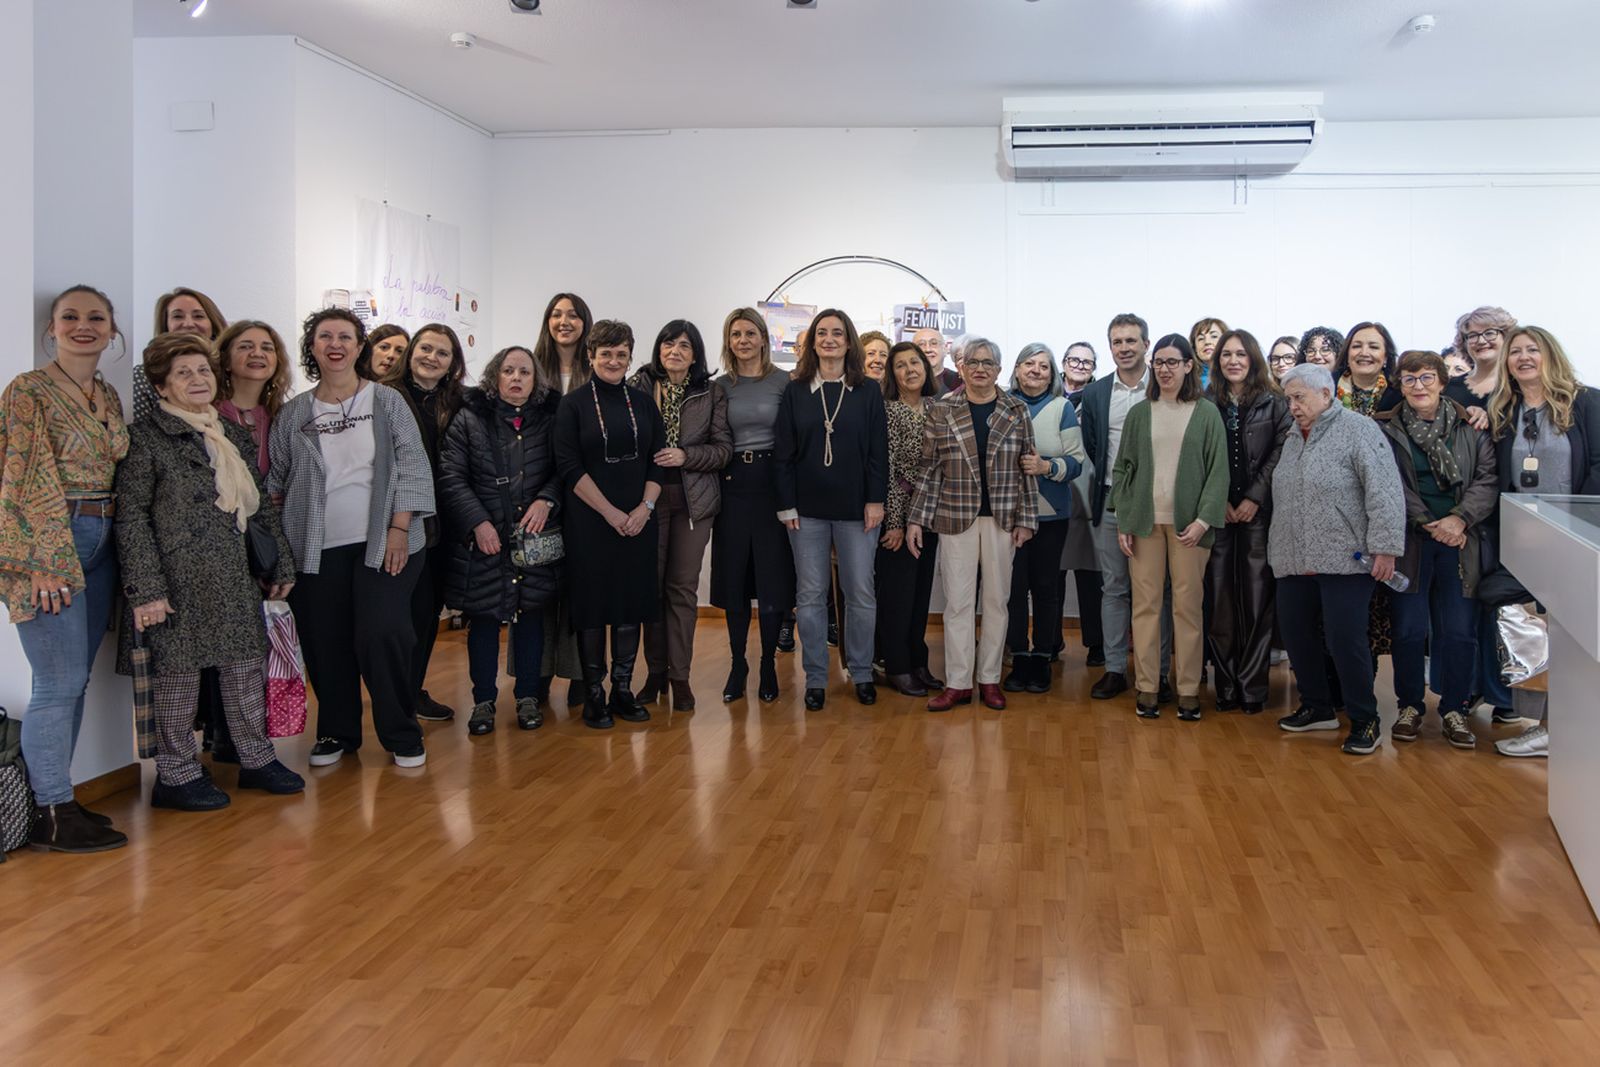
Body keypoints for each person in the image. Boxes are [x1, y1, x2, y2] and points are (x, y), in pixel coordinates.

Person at [115, 332, 303, 809]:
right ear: (161, 386)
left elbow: (258, 507)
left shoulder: (230, 434)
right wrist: (146, 589)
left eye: (202, 370)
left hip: (236, 576)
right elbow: (132, 517)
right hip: (176, 581)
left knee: (244, 671)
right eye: (183, 373)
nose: (197, 379)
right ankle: (176, 775)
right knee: (178, 680)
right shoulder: (146, 438)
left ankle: (257, 760)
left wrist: (280, 561)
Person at [270, 307, 435, 769]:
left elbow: (413, 465)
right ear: (313, 347)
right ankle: (337, 732)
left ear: (360, 346)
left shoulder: (386, 401)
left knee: (384, 632)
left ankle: (401, 731)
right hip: (315, 549)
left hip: (386, 542)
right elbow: (276, 483)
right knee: (325, 641)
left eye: (345, 337)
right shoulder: (294, 413)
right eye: (325, 337)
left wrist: (399, 528)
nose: (336, 345)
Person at [0, 286, 131, 852]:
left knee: (75, 681)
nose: (84, 325)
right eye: (70, 316)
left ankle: (59, 800)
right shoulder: (28, 390)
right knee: (56, 682)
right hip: (53, 543)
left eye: (96, 317)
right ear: (52, 328)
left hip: (103, 540)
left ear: (112, 330)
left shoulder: (107, 393)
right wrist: (42, 561)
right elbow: (21, 476)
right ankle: (50, 812)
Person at [1269, 364, 1406, 755]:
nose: (1292, 406)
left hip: (1346, 558)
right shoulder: (1293, 436)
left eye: (1299, 398)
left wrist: (1386, 547)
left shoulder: (1359, 430)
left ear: (1326, 395)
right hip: (1294, 556)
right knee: (1296, 633)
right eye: (1288, 399)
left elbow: (1385, 491)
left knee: (1345, 640)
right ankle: (1317, 706)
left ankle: (1365, 719)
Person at [1375, 350, 1499, 749]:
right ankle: (1410, 706)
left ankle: (1454, 709)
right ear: (1400, 386)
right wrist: (1429, 522)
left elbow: (1487, 480)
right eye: (1410, 379)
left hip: (1462, 541)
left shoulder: (1471, 426)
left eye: (1427, 377)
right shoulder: (1385, 429)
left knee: (1460, 632)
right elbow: (1389, 483)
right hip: (1411, 541)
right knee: (1409, 630)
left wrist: (1458, 519)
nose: (1419, 386)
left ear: (1443, 382)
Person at [908, 337, 1038, 711]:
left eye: (988, 363)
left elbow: (1027, 468)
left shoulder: (1016, 409)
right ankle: (959, 683)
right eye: (973, 362)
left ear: (999, 370)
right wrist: (916, 519)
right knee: (957, 604)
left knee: (997, 602)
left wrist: (1027, 519)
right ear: (961, 368)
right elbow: (930, 468)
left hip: (1002, 519)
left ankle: (989, 680)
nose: (980, 368)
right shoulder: (942, 409)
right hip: (955, 517)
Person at [1487, 326, 1600, 756]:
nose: (1523, 357)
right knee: (1526, 619)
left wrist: (1572, 523)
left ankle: (1559, 728)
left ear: (1549, 354)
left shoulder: (1586, 402)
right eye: (1515, 351)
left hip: (1578, 538)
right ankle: (1545, 724)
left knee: (1573, 631)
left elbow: (1599, 465)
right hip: (1527, 540)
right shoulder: (1504, 410)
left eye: (1532, 349)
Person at [437, 345, 562, 735]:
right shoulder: (469, 418)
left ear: (536, 380)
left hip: (532, 537)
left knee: (531, 617)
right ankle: (483, 701)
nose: (516, 378)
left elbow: (565, 469)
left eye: (525, 372)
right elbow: (451, 475)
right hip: (484, 539)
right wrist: (477, 522)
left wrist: (547, 500)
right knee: (485, 620)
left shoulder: (550, 419)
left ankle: (527, 697)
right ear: (495, 376)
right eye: (509, 371)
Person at [1108, 335, 1227, 719]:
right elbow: (1123, 469)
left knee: (1188, 609)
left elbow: (1218, 472)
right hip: (1145, 525)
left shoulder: (1206, 413)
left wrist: (1203, 520)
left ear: (1189, 365)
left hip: (1190, 528)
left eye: (1172, 362)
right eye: (1158, 362)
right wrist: (1124, 519)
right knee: (1145, 607)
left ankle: (1189, 689)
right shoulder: (1140, 413)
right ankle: (1147, 686)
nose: (1164, 369)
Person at [775, 309, 888, 711]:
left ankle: (861, 672)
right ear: (812, 343)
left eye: (837, 333)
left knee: (860, 593)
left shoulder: (867, 390)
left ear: (848, 341)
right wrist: (786, 505)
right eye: (821, 333)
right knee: (809, 595)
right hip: (806, 511)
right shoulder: (795, 391)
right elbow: (784, 454)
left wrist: (876, 500)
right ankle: (816, 677)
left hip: (858, 510)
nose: (829, 339)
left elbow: (878, 452)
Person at [554, 320, 664, 728]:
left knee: (630, 605)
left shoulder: (644, 402)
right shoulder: (573, 404)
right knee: (593, 606)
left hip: (639, 521)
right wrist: (611, 512)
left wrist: (644, 509)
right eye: (606, 354)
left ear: (630, 357)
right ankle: (594, 695)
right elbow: (569, 466)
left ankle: (622, 690)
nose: (614, 361)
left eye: (621, 354)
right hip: (590, 522)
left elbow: (657, 460)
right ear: (591, 356)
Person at [627, 321, 732, 711]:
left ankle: (680, 677)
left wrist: (687, 456)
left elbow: (723, 450)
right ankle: (655, 674)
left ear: (695, 354)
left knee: (682, 589)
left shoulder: (711, 392)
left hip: (694, 502)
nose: (675, 351)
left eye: (684, 345)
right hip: (647, 500)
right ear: (658, 348)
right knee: (650, 589)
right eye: (668, 343)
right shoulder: (638, 386)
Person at [1076, 313, 1172, 702]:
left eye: (1132, 340)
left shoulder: (1165, 386)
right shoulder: (1096, 394)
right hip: (1112, 502)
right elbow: (1094, 446)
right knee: (1114, 588)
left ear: (1146, 345)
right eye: (1117, 342)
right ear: (1110, 347)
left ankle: (1158, 673)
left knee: (1155, 592)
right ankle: (1115, 669)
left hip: (1157, 505)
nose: (1124, 348)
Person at [379, 323, 467, 724]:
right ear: (411, 352)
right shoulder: (384, 396)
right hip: (398, 519)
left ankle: (412, 691)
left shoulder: (459, 402)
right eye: (425, 348)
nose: (432, 357)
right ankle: (394, 697)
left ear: (453, 363)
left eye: (442, 352)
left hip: (444, 522)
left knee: (429, 610)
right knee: (397, 614)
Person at [1204, 330, 1291, 714]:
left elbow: (1281, 451)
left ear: (1253, 358)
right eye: (1226, 354)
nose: (1233, 360)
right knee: (1219, 600)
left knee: (1257, 602)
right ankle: (1225, 685)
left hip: (1259, 514)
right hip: (1218, 513)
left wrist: (1255, 497)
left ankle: (1252, 687)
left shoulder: (1275, 402)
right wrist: (1219, 499)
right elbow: (1201, 456)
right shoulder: (1205, 402)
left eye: (1241, 354)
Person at [710, 310, 794, 704]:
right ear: (728, 341)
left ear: (764, 338)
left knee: (772, 578)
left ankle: (767, 664)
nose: (742, 340)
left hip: (772, 484)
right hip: (732, 486)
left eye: (749, 333)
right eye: (735, 334)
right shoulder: (720, 386)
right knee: (735, 578)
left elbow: (793, 438)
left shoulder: (783, 382)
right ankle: (738, 663)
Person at [1003, 343, 1085, 693]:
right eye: (1029, 363)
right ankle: (1018, 656)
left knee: (1046, 588)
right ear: (1017, 369)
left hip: (1051, 515)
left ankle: (1042, 657)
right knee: (1013, 589)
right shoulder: (1003, 403)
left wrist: (1045, 466)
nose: (1036, 370)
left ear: (1053, 374)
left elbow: (1076, 462)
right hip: (1008, 514)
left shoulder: (1061, 407)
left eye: (1044, 365)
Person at [531, 292, 593, 708]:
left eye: (572, 314)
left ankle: (581, 674)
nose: (564, 321)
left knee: (581, 587)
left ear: (585, 322)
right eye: (556, 314)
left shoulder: (597, 369)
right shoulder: (532, 368)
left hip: (586, 492)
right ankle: (535, 675)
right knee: (538, 588)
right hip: (538, 490)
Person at [876, 342, 941, 697]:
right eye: (900, 365)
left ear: (926, 368)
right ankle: (897, 666)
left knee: (920, 596)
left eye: (915, 362)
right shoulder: (886, 411)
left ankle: (918, 662)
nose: (909, 370)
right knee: (897, 598)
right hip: (898, 517)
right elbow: (886, 470)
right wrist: (895, 523)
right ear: (892, 374)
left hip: (931, 517)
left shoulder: (937, 407)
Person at [1058, 341, 1103, 666]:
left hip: (1089, 496)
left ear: (1094, 368)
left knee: (1092, 579)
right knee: (1052, 578)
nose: (1079, 366)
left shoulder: (1098, 399)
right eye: (1074, 360)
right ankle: (1050, 641)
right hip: (1055, 495)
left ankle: (1097, 644)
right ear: (1063, 363)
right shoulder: (1048, 395)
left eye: (1087, 362)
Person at [215, 319, 292, 475]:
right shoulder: (208, 414)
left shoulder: (283, 417)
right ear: (226, 360)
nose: (257, 353)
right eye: (245, 347)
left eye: (267, 348)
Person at [139, 287, 227, 422]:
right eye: (177, 316)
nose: (188, 324)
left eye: (198, 316)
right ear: (166, 326)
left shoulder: (229, 370)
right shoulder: (143, 376)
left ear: (213, 325)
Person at [1447, 305, 1515, 414]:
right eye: (1473, 335)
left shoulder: (1519, 386)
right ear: (1464, 343)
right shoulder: (1449, 388)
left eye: (1489, 333)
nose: (1481, 341)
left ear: (1506, 338)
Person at [1331, 321, 1402, 416]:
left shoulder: (1400, 393)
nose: (1364, 353)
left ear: (1386, 357)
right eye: (1357, 346)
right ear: (1347, 354)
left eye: (1373, 347)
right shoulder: (1325, 388)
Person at [913, 326, 960, 392]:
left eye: (934, 343)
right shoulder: (904, 383)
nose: (928, 349)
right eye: (921, 344)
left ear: (945, 349)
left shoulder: (960, 382)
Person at [1189, 317, 1229, 390]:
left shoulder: (1237, 375)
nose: (1207, 342)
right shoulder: (1187, 381)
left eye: (1214, 336)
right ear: (1195, 348)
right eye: (1201, 338)